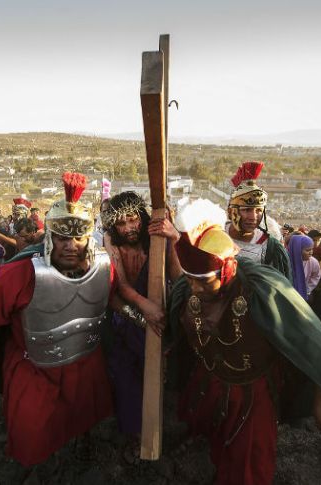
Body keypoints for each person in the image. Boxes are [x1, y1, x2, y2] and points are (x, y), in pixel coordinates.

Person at [168, 198, 321, 484]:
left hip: (253, 391)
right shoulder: (187, 287)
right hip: (210, 380)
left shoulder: (262, 287)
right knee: (214, 440)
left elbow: (310, 333)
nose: (196, 289)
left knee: (249, 461)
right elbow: (174, 322)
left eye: (204, 281)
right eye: (190, 279)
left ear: (226, 270)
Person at [0, 172, 114, 472]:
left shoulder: (104, 266)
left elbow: (110, 296)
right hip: (34, 368)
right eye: (63, 237)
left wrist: (143, 312)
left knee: (83, 416)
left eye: (78, 237)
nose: (71, 245)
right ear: (49, 237)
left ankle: (79, 447)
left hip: (85, 361)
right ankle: (39, 469)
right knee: (33, 433)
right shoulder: (17, 275)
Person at [100, 191, 182, 463]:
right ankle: (137, 435)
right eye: (121, 223)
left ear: (142, 217)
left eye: (133, 220)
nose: (128, 228)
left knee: (158, 375)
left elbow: (177, 277)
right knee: (125, 377)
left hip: (159, 310)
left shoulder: (157, 236)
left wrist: (175, 239)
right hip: (126, 311)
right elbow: (120, 285)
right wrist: (143, 310)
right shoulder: (111, 239)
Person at [224, 161, 292, 282]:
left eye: (258, 210)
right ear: (230, 211)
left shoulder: (270, 248)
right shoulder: (216, 233)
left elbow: (277, 287)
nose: (253, 216)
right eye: (246, 210)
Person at [287, 234, 321, 301]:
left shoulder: (313, 262)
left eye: (312, 249)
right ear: (297, 250)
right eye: (308, 250)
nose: (311, 253)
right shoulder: (286, 260)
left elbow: (316, 276)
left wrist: (307, 288)